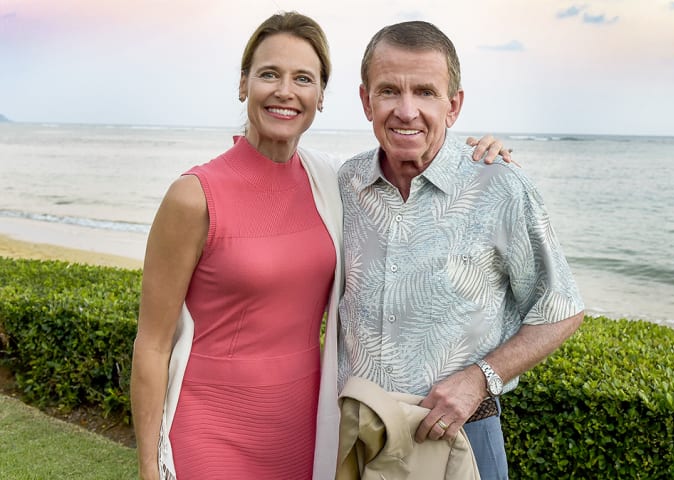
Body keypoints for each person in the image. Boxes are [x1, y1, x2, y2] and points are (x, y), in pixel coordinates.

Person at [129, 11, 508, 480]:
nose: (285, 91)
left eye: (303, 78)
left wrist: (478, 155)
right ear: (243, 83)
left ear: (321, 96)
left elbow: (406, 162)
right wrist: (149, 467)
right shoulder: (193, 196)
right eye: (269, 74)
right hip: (210, 428)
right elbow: (151, 344)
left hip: (306, 432)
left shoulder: (331, 180)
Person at [336, 20, 585, 479]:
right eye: (389, 90)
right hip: (358, 438)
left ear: (454, 106)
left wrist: (479, 379)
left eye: (426, 93)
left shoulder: (500, 186)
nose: (406, 111)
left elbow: (561, 309)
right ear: (365, 101)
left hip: (462, 438)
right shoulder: (343, 187)